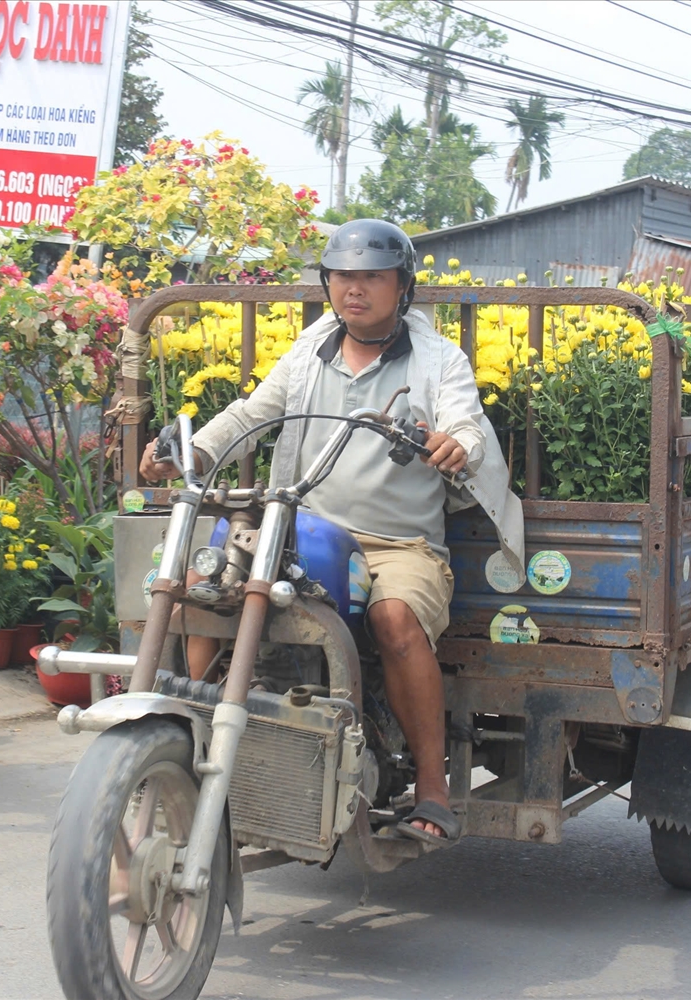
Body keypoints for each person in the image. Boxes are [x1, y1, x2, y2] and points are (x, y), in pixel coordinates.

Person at [138, 219, 524, 846]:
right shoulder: (311, 349)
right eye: (344, 276)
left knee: (395, 619)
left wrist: (459, 444)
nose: (356, 289)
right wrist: (193, 453)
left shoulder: (436, 358)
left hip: (399, 545)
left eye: (373, 276)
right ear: (328, 283)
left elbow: (467, 422)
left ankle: (432, 786)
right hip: (302, 528)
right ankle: (195, 738)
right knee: (200, 586)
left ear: (402, 287)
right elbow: (252, 412)